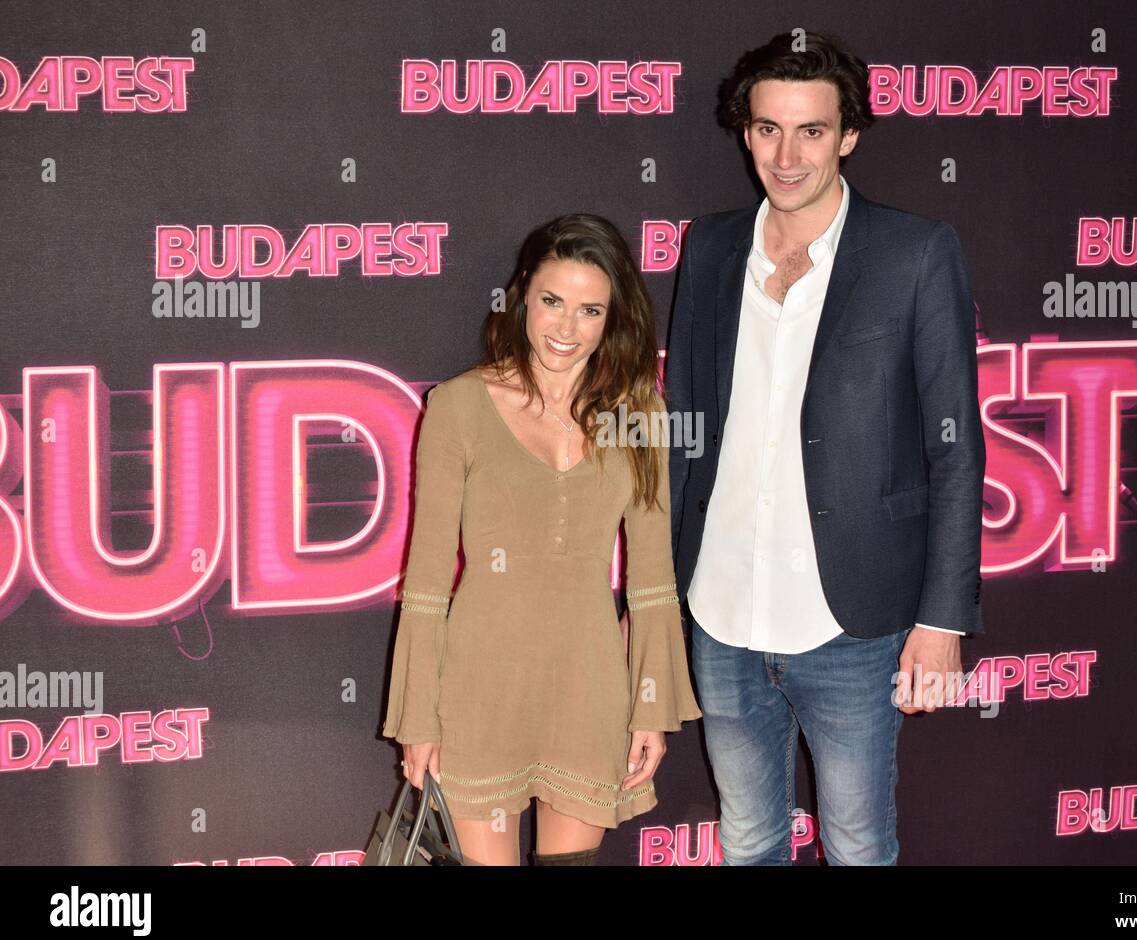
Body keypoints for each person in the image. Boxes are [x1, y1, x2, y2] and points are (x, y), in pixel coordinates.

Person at [665, 31, 985, 865]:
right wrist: (663, 595)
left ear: (848, 135)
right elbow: (682, 421)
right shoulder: (708, 246)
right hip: (721, 609)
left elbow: (955, 446)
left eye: (811, 130)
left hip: (854, 619)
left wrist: (941, 619)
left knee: (856, 842)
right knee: (747, 837)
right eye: (768, 128)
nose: (787, 153)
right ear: (745, 132)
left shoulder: (915, 252)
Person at [383, 213, 702, 866]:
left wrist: (649, 707)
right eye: (552, 302)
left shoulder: (637, 413)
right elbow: (426, 578)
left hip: (587, 687)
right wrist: (418, 722)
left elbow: (651, 577)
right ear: (523, 292)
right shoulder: (459, 406)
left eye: (590, 310)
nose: (566, 328)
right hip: (478, 687)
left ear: (613, 317)